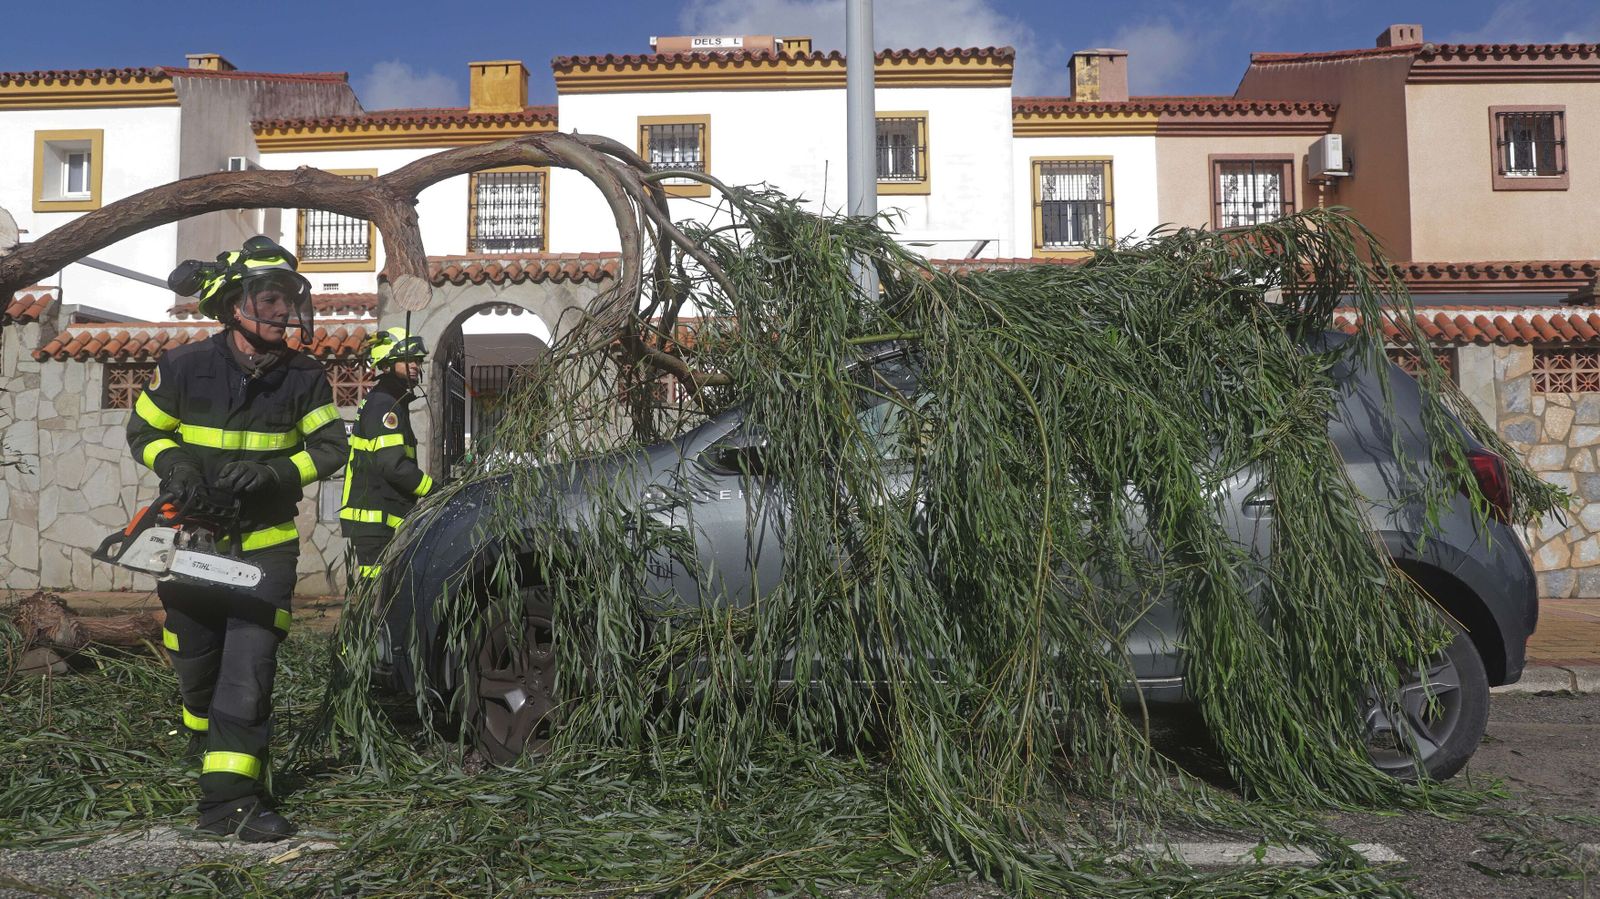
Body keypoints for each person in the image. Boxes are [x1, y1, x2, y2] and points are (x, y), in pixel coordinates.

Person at [127, 236, 348, 841]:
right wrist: (174, 466)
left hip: (264, 549)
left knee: (248, 672)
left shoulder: (305, 378)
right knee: (195, 658)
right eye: (269, 298)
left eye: (289, 299)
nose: (283, 311)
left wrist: (276, 472)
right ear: (233, 306)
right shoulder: (184, 367)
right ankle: (203, 744)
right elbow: (143, 429)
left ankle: (231, 803)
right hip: (189, 542)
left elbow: (332, 448)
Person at [340, 327, 434, 585]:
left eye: (418, 360)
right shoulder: (385, 405)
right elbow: (392, 466)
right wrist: (434, 488)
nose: (416, 365)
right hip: (374, 522)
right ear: (389, 364)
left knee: (385, 594)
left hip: (380, 519)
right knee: (378, 595)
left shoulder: (391, 400)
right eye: (409, 360)